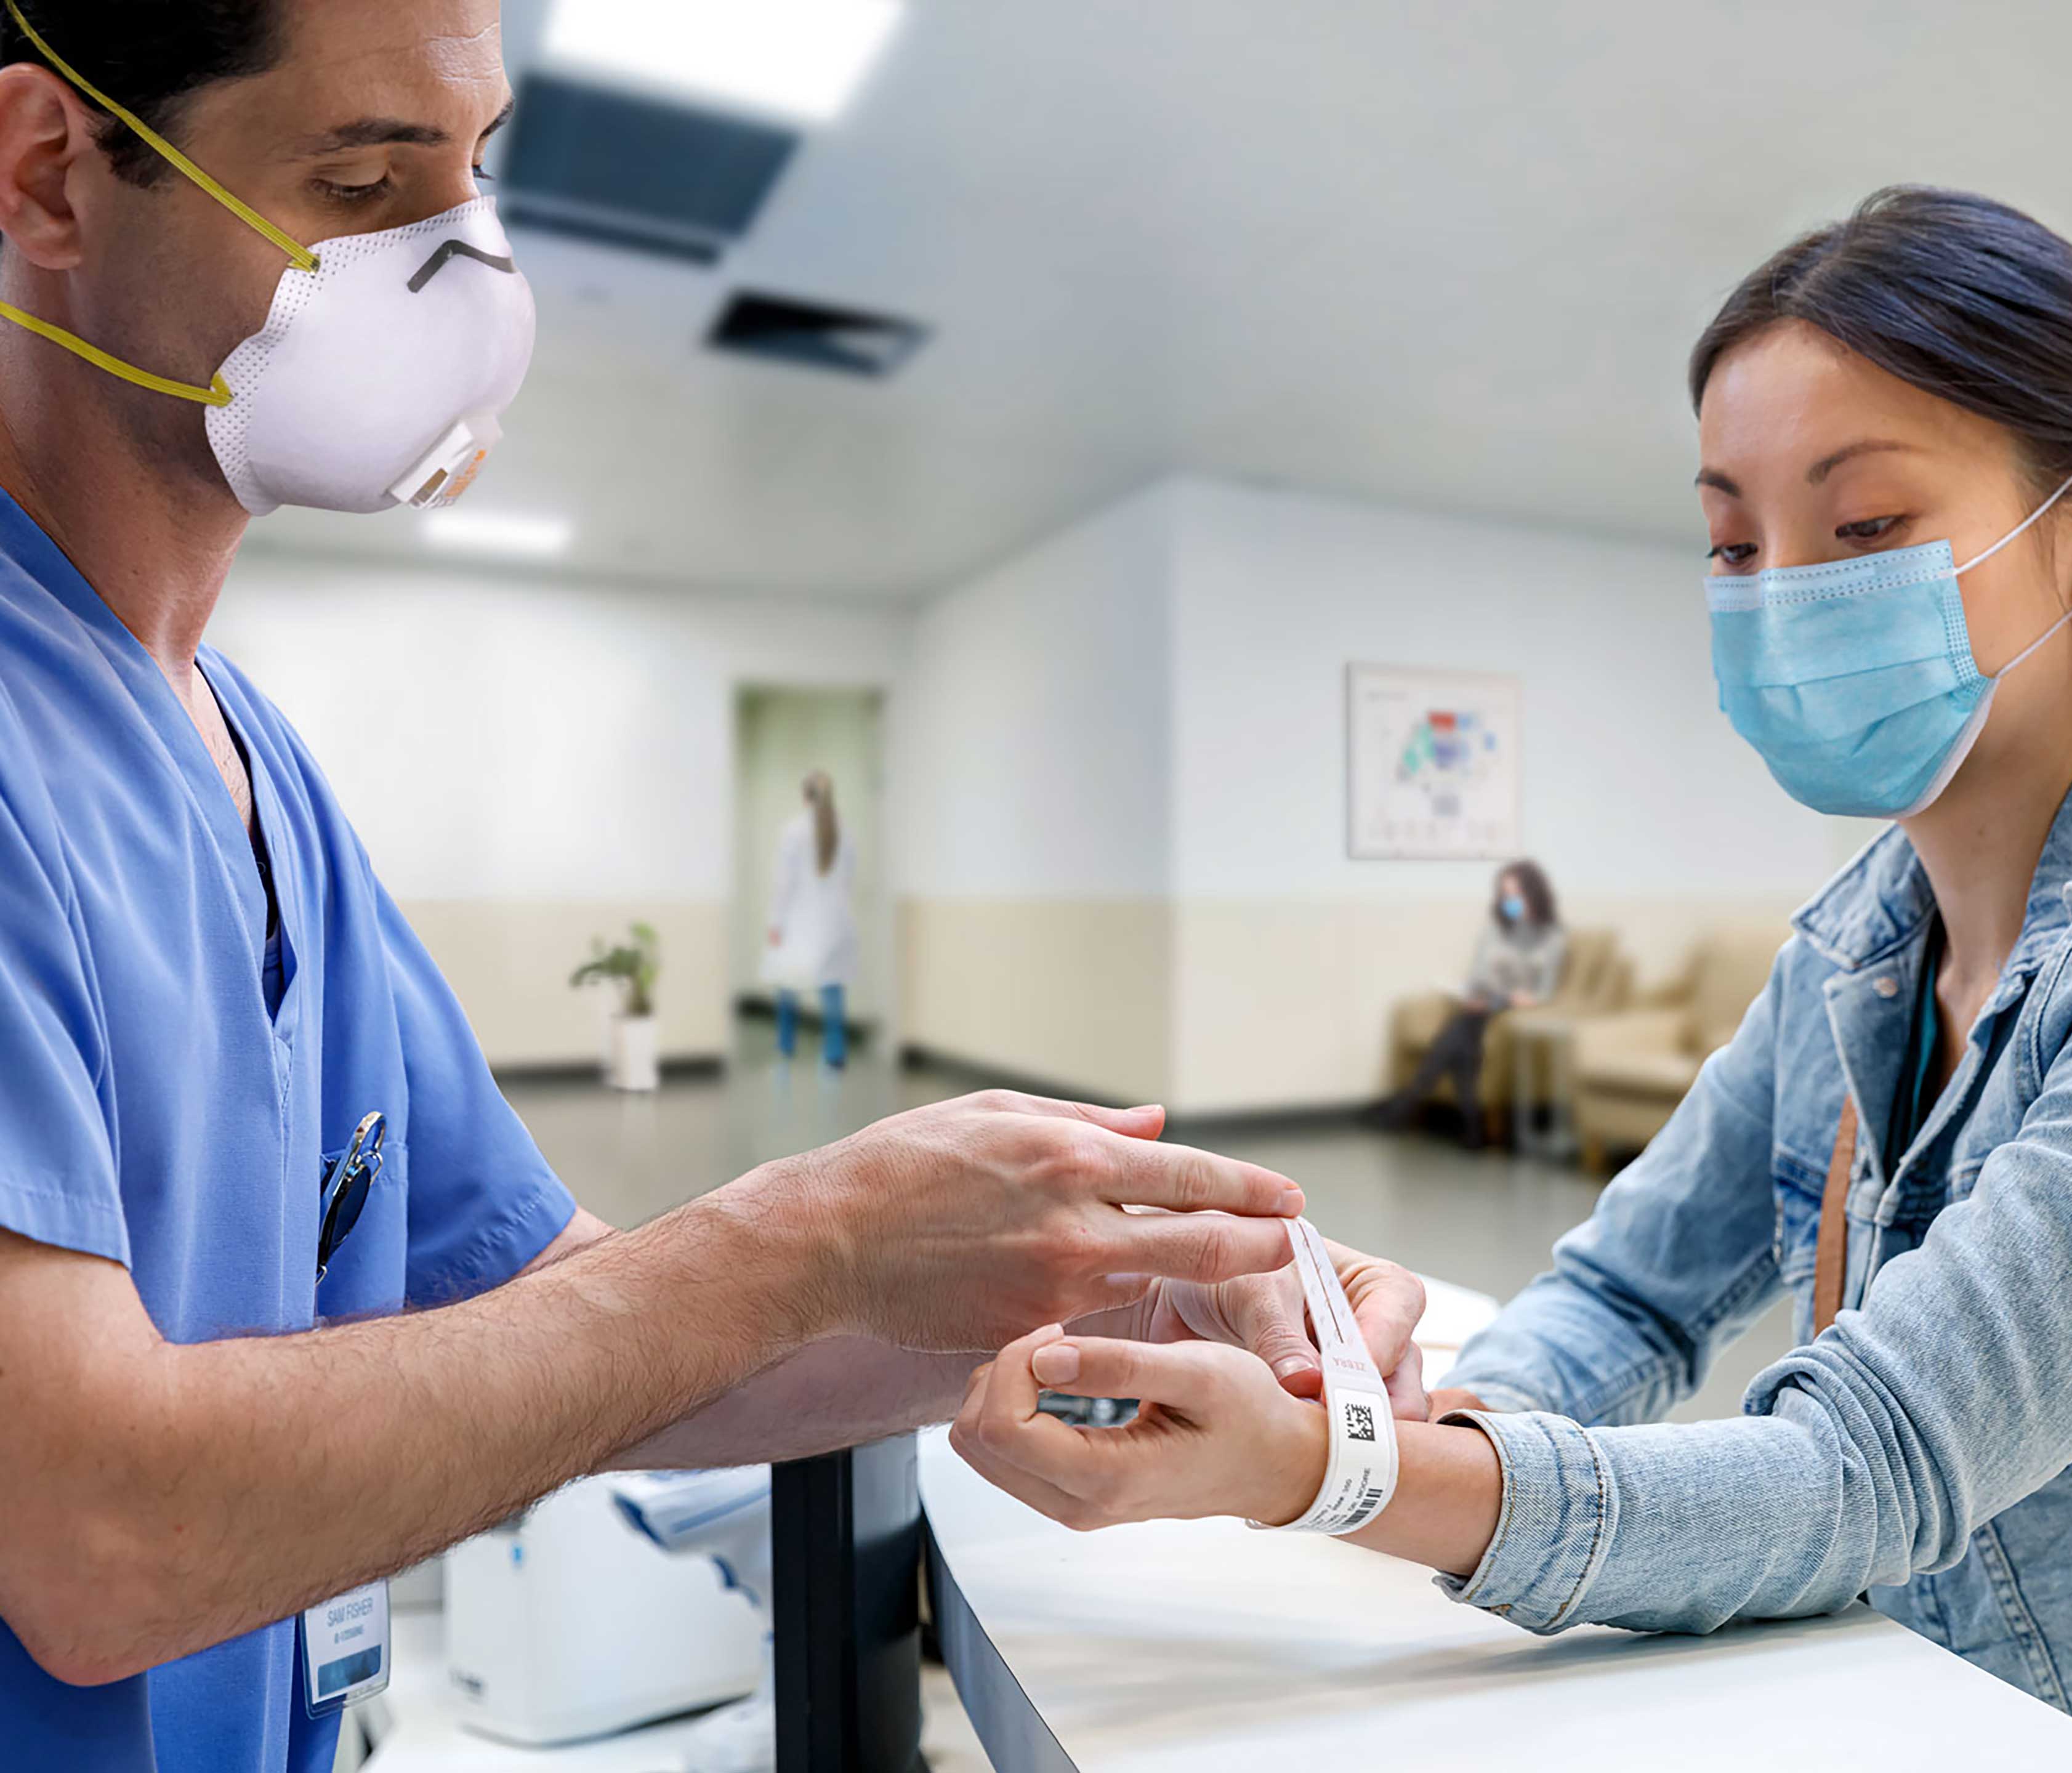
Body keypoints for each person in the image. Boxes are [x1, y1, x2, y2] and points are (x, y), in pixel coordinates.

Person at [0, 9, 1428, 1770]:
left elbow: (558, 1333)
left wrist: (1070, 1280)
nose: (468, 274)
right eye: (364, 181)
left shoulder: (253, 766)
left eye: (477, 176)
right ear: (49, 175)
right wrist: (807, 1232)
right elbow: (94, 1530)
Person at [955, 185, 2072, 1771]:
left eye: (1866, 528)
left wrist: (1329, 1472)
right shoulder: (1854, 951)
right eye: (1731, 541)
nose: (1781, 596)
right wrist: (1373, 1392)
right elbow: (1627, 1294)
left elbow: (1862, 1471)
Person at [1373, 858, 1564, 1145]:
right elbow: (1479, 973)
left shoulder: (1551, 936)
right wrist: (1477, 994)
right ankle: (1471, 1126)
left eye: (1515, 895)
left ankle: (1406, 1107)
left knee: (1458, 1037)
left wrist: (1513, 998)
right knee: (1465, 1043)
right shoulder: (1497, 930)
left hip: (1513, 1007)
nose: (1510, 901)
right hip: (1483, 1001)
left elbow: (1545, 991)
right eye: (1505, 895)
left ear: (1533, 893)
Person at [764, 770, 857, 1067]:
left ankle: (786, 1045)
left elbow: (784, 882)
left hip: (801, 919)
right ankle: (835, 1051)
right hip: (836, 920)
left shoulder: (794, 831)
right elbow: (848, 878)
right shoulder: (844, 830)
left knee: (789, 982)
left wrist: (776, 922)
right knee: (833, 986)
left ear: (805, 796)